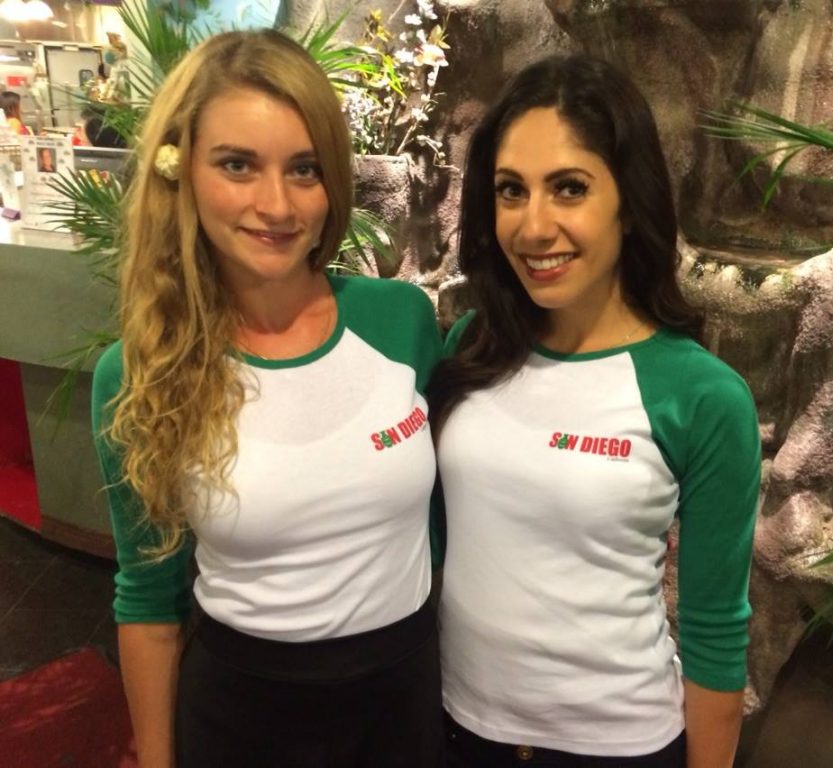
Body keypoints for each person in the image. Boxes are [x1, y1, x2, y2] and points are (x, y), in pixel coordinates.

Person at [91, 29, 443, 768]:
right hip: (241, 717)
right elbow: (149, 601)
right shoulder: (141, 372)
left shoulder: (401, 321)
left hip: (403, 703)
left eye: (304, 169)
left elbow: (439, 528)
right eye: (238, 165)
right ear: (181, 170)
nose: (276, 204)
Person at [428, 54, 761, 768]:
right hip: (458, 728)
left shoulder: (702, 396)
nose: (533, 226)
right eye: (511, 190)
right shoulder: (473, 348)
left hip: (617, 747)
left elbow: (715, 636)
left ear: (628, 203)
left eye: (569, 188)